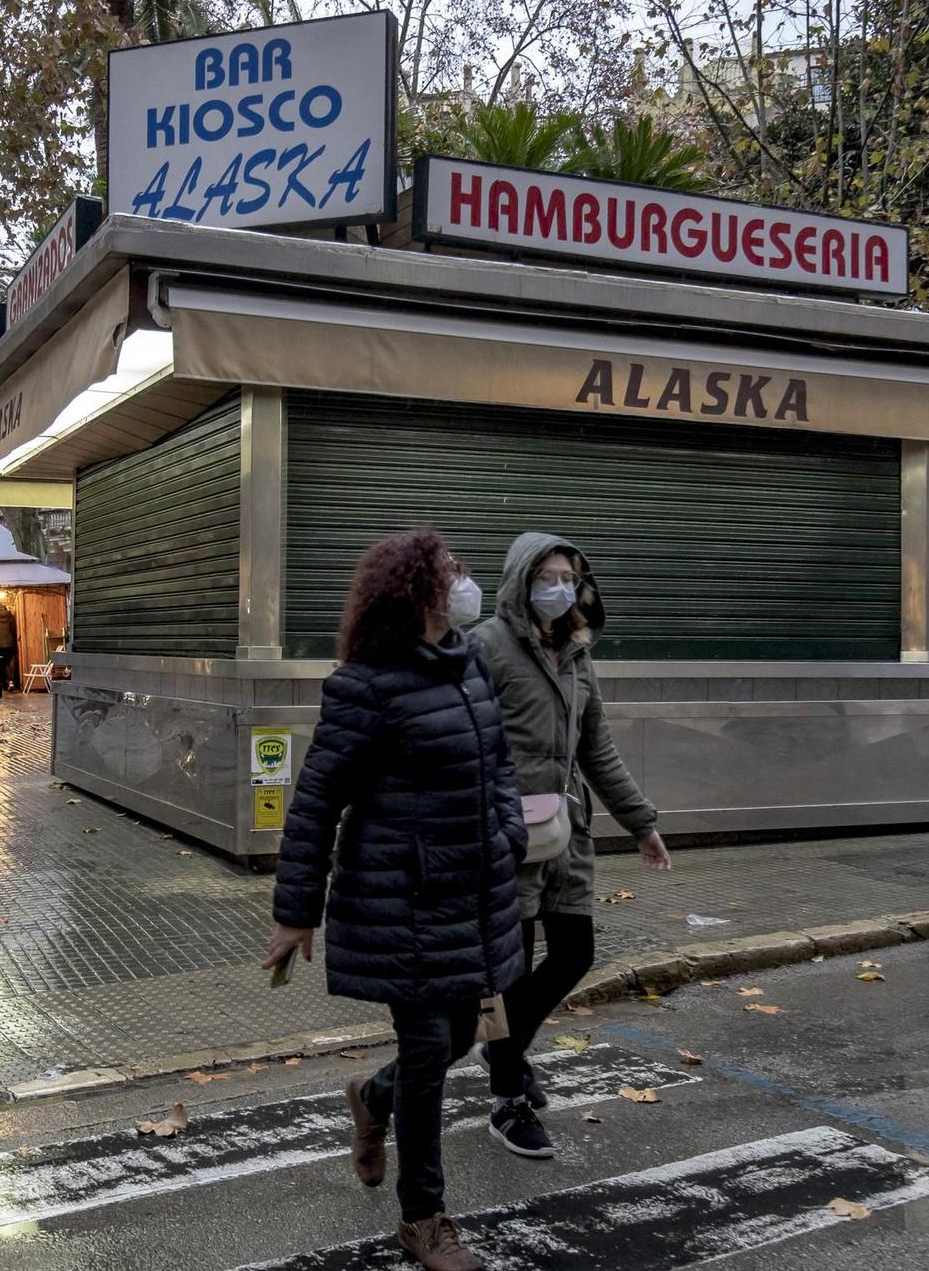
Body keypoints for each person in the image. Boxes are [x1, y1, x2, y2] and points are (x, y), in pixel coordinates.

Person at [266, 528, 525, 1271]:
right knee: (426, 1045)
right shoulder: (367, 682)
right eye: (450, 571)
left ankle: (372, 1098)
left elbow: (498, 758)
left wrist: (506, 829)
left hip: (475, 890)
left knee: (464, 1037)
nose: (463, 581)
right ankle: (425, 1218)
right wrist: (295, 910)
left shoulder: (468, 661)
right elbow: (317, 799)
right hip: (403, 896)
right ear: (416, 591)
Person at [470, 532, 670, 1161]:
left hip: (565, 830)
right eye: (548, 575)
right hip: (505, 834)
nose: (561, 587)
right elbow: (457, 740)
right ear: (520, 579)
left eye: (570, 576)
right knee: (509, 970)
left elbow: (596, 747)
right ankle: (508, 1100)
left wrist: (640, 822)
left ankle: (500, 1047)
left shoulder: (577, 651)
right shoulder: (485, 646)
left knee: (575, 953)